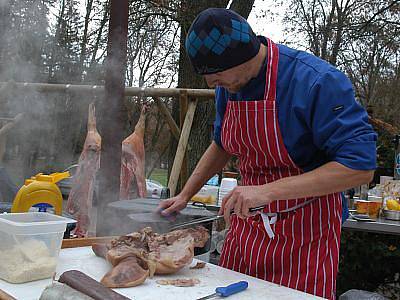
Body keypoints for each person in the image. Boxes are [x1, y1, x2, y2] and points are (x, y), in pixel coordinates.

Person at [158, 8, 376, 300]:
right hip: (247, 231)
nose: (211, 84)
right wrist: (186, 194)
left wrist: (267, 192)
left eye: (216, 75)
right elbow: (222, 143)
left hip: (305, 236)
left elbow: (359, 167)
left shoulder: (316, 82)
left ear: (243, 57)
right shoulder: (230, 85)